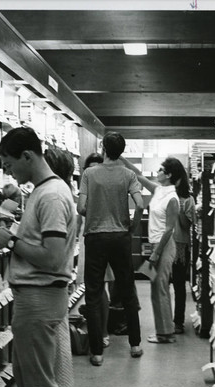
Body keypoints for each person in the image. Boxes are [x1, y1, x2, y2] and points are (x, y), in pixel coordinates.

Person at [0, 127, 76, 387]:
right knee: (30, 379)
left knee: (38, 386)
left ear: (28, 156)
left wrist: (8, 240)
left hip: (39, 299)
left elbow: (52, 257)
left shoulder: (51, 195)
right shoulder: (44, 191)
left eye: (9, 164)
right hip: (35, 298)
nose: (9, 172)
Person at [77, 132, 144, 366]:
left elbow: (81, 207)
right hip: (120, 237)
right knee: (127, 289)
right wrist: (131, 228)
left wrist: (95, 212)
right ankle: (135, 344)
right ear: (123, 151)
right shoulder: (128, 174)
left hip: (95, 237)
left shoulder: (89, 173)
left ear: (103, 148)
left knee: (94, 293)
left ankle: (97, 352)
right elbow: (140, 204)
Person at [120, 156, 187, 343]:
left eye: (161, 169)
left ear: (169, 175)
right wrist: (121, 158)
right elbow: (138, 175)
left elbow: (169, 229)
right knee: (156, 287)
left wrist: (156, 252)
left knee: (161, 288)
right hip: (157, 244)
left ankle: (166, 333)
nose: (157, 172)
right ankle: (162, 331)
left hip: (164, 246)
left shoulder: (172, 198)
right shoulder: (158, 190)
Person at [76, 152, 114, 348]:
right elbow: (78, 218)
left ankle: (103, 331)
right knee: (93, 289)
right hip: (86, 241)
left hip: (103, 242)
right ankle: (96, 330)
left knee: (100, 289)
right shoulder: (84, 189)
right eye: (89, 168)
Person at [171, 169, 196, 334]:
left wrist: (178, 207)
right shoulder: (165, 196)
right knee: (161, 284)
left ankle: (178, 322)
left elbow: (187, 226)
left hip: (180, 247)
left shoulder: (188, 200)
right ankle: (165, 321)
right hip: (165, 244)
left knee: (179, 286)